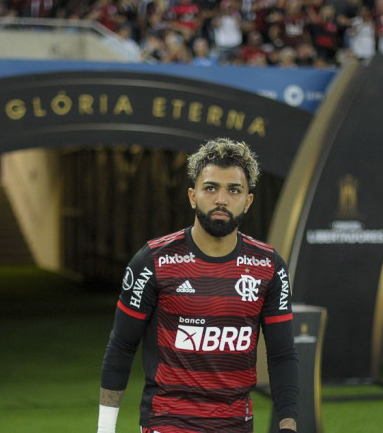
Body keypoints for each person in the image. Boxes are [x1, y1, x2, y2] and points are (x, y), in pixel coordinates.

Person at [98, 138, 298, 433]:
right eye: (210, 188)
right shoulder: (154, 260)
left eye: (234, 190)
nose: (221, 199)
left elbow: (282, 355)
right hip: (168, 422)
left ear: (248, 200)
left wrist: (289, 426)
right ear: (192, 196)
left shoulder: (269, 266)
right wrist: (105, 429)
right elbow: (122, 345)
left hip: (236, 424)